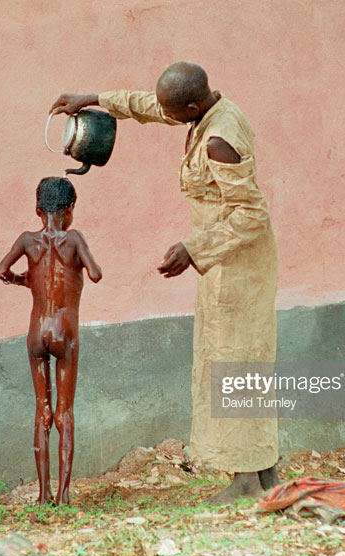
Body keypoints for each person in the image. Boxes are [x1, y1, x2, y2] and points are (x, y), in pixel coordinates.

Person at [50, 62, 279, 503]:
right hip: (222, 259)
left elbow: (252, 216)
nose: (166, 115)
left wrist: (195, 249)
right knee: (237, 357)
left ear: (192, 105)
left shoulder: (219, 140)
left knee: (238, 361)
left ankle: (247, 479)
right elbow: (148, 106)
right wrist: (93, 100)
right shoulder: (201, 111)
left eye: (173, 111)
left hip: (239, 260)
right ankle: (262, 469)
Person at [0, 177, 102, 505]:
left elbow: (0, 270)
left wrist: (24, 280)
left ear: (38, 210)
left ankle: (43, 495)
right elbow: (95, 273)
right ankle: (65, 495)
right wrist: (80, 266)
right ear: (68, 210)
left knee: (42, 410)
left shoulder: (28, 240)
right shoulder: (73, 239)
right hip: (64, 333)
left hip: (36, 333)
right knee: (64, 412)